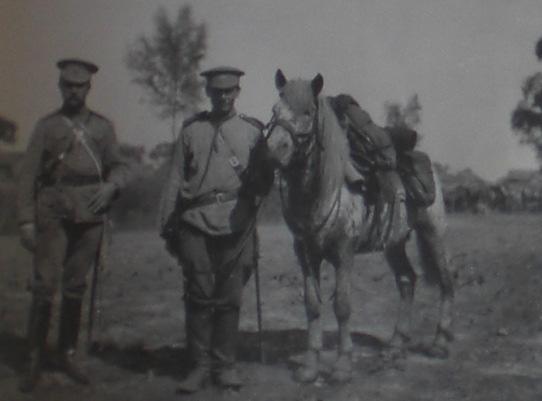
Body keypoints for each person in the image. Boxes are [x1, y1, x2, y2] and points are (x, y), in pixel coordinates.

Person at [17, 58, 131, 392]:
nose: (73, 91)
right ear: (60, 87)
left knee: (76, 285)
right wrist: (25, 219)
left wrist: (112, 187)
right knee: (44, 285)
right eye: (68, 85)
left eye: (79, 86)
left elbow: (119, 167)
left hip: (91, 213)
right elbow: (27, 176)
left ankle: (67, 353)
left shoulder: (102, 127)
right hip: (52, 212)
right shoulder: (47, 126)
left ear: (89, 88)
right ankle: (34, 357)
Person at [158, 66, 274, 393]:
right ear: (208, 93)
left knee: (230, 296)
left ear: (237, 92)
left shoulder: (253, 132)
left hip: (236, 222)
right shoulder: (191, 130)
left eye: (229, 91)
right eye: (217, 92)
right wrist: (167, 222)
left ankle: (225, 365)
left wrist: (260, 187)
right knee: (198, 293)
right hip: (194, 221)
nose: (223, 97)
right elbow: (174, 178)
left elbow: (265, 180)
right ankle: (198, 366)